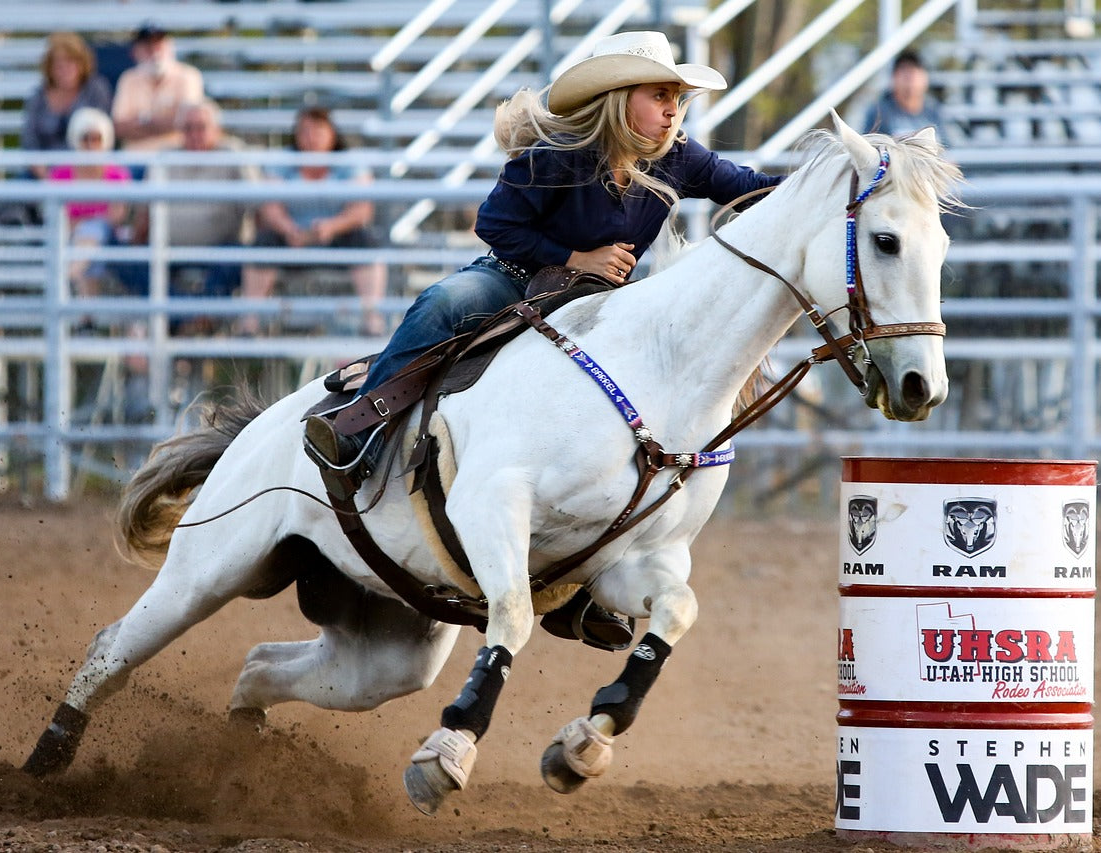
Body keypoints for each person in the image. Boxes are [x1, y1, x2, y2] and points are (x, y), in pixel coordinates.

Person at [304, 31, 782, 650]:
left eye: (678, 99)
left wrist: (822, 191)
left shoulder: (678, 156)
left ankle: (582, 575)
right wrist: (576, 256)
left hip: (601, 309)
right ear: (618, 100)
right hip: (517, 280)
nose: (673, 110)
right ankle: (359, 429)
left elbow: (746, 185)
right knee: (443, 304)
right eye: (660, 95)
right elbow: (494, 224)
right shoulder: (558, 154)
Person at [240, 106, 387, 336]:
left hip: (336, 239)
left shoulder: (349, 161)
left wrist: (332, 226)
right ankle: (249, 323)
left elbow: (362, 210)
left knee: (365, 240)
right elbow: (270, 207)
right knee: (263, 241)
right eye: (305, 131)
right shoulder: (282, 160)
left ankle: (372, 319)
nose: (311, 138)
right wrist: (288, 229)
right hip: (291, 240)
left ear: (332, 134)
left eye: (318, 130)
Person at [127, 99, 257, 321]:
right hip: (166, 248)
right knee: (127, 259)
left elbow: (256, 203)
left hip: (221, 248)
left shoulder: (233, 155)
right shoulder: (164, 158)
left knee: (242, 257)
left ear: (217, 130)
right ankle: (192, 317)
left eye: (201, 127)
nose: (195, 134)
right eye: (188, 128)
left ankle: (182, 319)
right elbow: (144, 212)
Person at [46, 107, 132, 300]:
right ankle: (87, 318)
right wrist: (87, 222)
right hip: (70, 237)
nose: (91, 145)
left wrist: (82, 222)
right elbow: (55, 217)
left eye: (96, 139)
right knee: (90, 249)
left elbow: (117, 215)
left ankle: (70, 273)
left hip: (108, 238)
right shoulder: (61, 174)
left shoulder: (117, 174)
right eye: (86, 138)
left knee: (94, 232)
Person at [21, 32, 113, 177]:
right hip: (44, 170)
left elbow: (101, 137)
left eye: (70, 63)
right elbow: (30, 141)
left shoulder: (96, 90)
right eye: (59, 65)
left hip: (87, 168)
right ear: (49, 68)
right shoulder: (38, 96)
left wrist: (74, 174)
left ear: (81, 64)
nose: (64, 70)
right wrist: (44, 173)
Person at [111, 23, 204, 151]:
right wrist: (166, 122)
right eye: (148, 46)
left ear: (170, 46)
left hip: (175, 158)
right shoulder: (128, 79)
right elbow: (119, 127)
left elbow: (188, 122)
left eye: (159, 44)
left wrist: (142, 120)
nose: (155, 51)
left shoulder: (188, 76)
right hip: (136, 160)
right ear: (136, 51)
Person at [862, 48, 949, 145]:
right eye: (903, 70)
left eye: (914, 70)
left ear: (925, 78)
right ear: (893, 78)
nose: (909, 76)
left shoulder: (933, 111)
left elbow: (948, 150)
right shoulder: (880, 113)